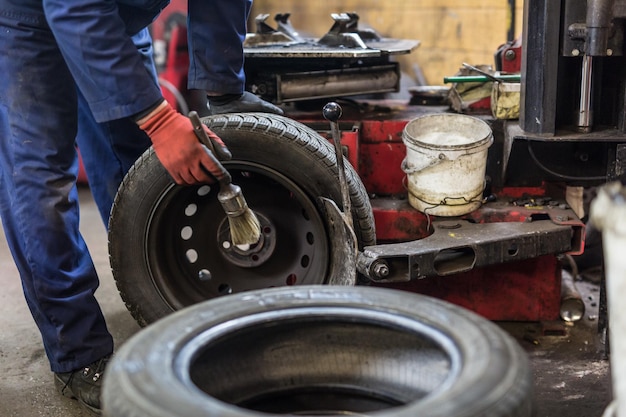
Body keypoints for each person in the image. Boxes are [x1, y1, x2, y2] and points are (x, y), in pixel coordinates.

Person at [0, 0, 282, 414]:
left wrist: (224, 90)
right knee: (41, 182)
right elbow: (74, 8)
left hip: (116, 15)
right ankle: (78, 352)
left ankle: (161, 293)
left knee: (135, 164)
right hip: (26, 20)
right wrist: (159, 121)